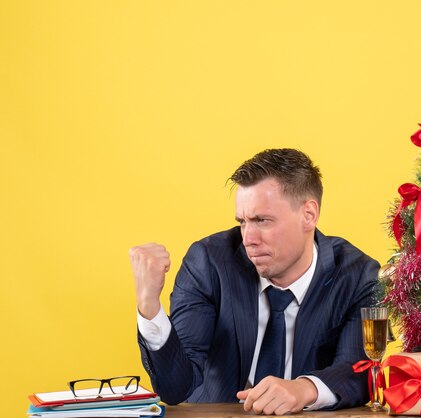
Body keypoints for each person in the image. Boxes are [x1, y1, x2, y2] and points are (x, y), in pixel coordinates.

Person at [129, 148, 379, 415]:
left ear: (309, 215)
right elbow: (175, 388)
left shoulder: (358, 275)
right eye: (243, 222)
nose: (248, 238)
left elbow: (362, 370)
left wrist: (305, 388)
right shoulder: (209, 263)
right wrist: (149, 306)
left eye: (262, 220)